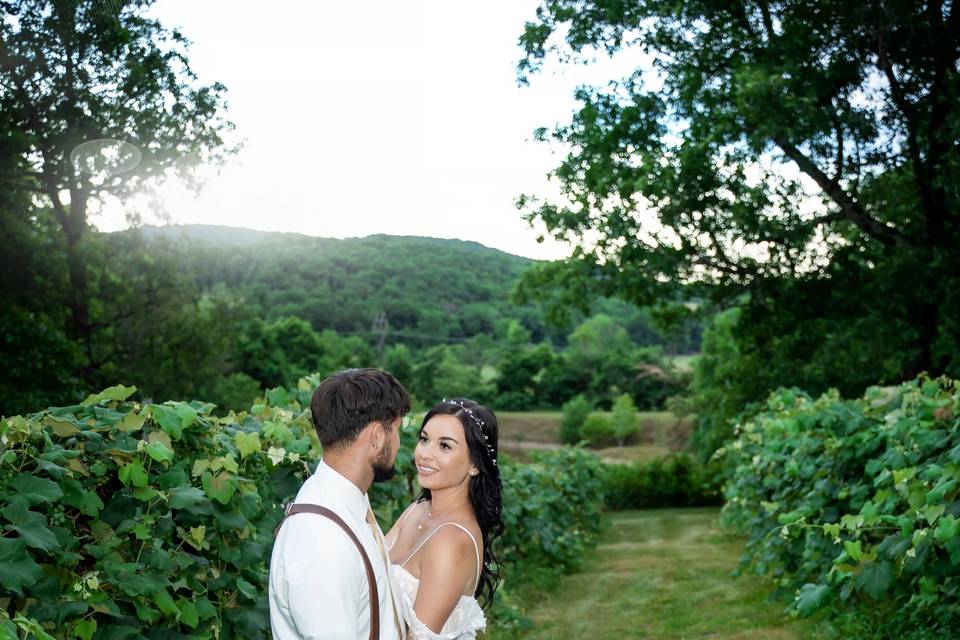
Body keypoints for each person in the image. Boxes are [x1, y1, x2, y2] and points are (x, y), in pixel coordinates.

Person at [269, 368, 411, 640]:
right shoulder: (324, 543)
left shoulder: (345, 505)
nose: (398, 441)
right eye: (395, 429)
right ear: (377, 437)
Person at [384, 398, 504, 639]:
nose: (425, 454)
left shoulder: (452, 539)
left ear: (474, 465)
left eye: (445, 446)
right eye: (425, 439)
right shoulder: (418, 509)